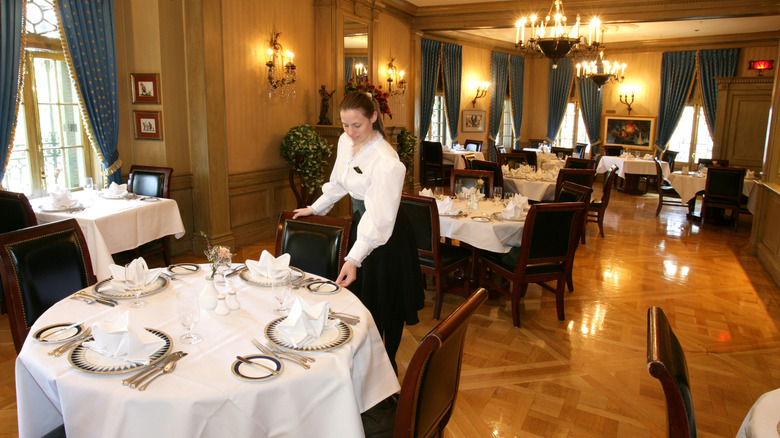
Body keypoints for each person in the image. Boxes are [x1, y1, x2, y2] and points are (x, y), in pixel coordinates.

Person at [293, 91, 424, 371]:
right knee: (363, 299)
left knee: (388, 302)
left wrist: (353, 259)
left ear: (373, 118)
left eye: (357, 125)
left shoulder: (387, 160)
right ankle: (364, 360)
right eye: (345, 125)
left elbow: (378, 218)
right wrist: (315, 208)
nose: (350, 132)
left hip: (387, 236)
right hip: (361, 229)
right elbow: (340, 183)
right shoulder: (345, 142)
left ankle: (387, 365)